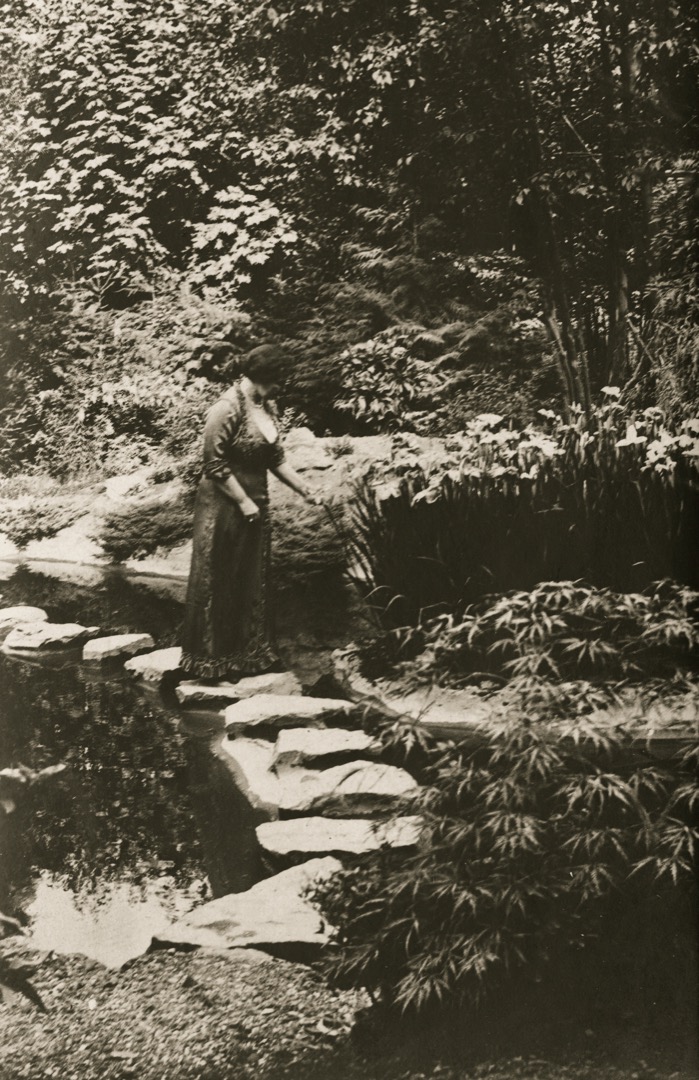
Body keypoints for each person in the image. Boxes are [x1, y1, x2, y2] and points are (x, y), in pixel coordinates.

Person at [180, 344, 320, 681]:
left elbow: (275, 458)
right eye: (277, 380)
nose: (281, 387)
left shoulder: (269, 406)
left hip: (256, 504)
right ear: (262, 377)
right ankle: (213, 663)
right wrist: (243, 503)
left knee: (251, 578)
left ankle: (248, 657)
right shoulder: (226, 408)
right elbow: (213, 465)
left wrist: (304, 488)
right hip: (223, 507)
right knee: (221, 579)